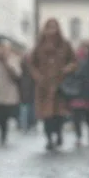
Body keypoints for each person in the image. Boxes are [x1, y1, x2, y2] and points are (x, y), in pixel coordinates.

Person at [29, 19, 76, 151]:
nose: (51, 30)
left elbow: (73, 61)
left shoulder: (65, 45)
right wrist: (37, 76)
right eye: (49, 27)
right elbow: (31, 64)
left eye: (54, 27)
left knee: (59, 114)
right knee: (46, 115)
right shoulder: (39, 46)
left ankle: (59, 133)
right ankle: (49, 139)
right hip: (44, 86)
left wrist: (67, 69)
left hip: (60, 85)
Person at [65, 41, 89, 147]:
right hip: (78, 92)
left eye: (87, 48)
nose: (85, 50)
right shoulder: (75, 60)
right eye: (83, 47)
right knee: (77, 117)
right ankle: (79, 136)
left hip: (88, 93)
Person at [18, 53, 37, 133]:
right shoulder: (22, 69)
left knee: (30, 110)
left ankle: (29, 125)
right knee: (26, 110)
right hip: (24, 92)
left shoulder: (33, 68)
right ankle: (26, 125)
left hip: (31, 92)